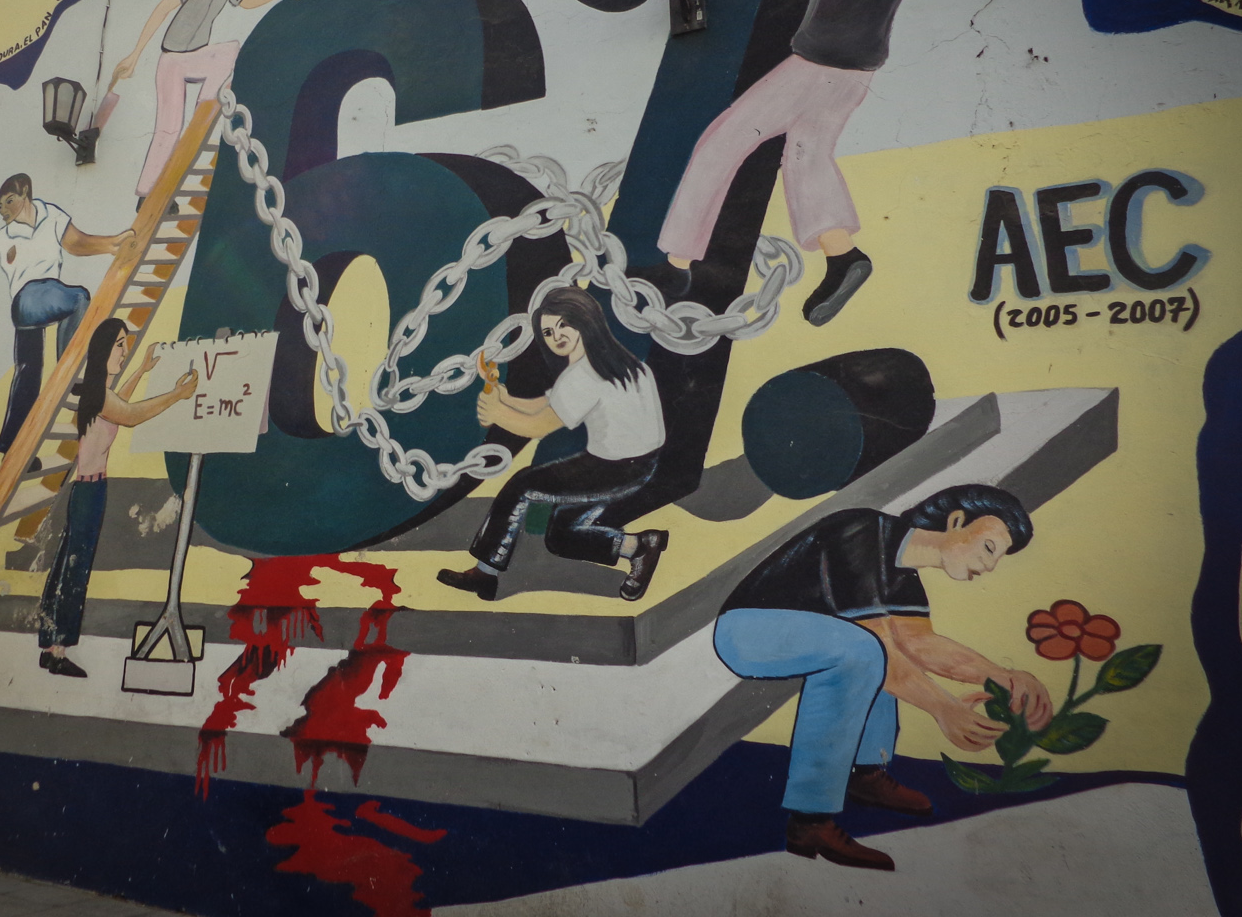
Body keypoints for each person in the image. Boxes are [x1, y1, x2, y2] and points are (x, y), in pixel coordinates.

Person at [651, 0, 936, 326]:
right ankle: (842, 255)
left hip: (810, 72)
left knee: (723, 141)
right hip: (856, 78)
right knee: (807, 157)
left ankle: (675, 263)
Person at [714, 484, 1052, 871]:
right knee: (867, 649)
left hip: (811, 632)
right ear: (957, 522)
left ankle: (865, 775)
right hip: (749, 630)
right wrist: (944, 708)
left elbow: (919, 644)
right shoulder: (861, 531)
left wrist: (1003, 676)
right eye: (989, 548)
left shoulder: (901, 570)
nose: (989, 566)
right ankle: (809, 820)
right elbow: (882, 647)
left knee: (876, 645)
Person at [437, 286, 669, 603]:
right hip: (639, 463)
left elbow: (539, 426)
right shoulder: (618, 361)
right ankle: (639, 546)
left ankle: (485, 575)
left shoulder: (585, 374)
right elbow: (549, 405)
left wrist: (497, 413)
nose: (556, 336)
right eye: (547, 332)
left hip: (616, 467)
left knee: (521, 486)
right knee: (560, 536)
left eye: (563, 325)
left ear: (584, 320)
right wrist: (505, 399)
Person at [106, 0, 319, 201]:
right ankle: (147, 195)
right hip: (172, 60)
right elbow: (164, 7)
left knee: (230, 50)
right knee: (168, 129)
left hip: (197, 56)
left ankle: (204, 112)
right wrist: (135, 54)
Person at [38, 320, 198, 677]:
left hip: (87, 490)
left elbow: (120, 403)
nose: (124, 352)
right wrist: (177, 395)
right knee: (74, 572)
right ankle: (58, 652)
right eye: (120, 345)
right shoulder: (98, 394)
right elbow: (131, 415)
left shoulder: (100, 393)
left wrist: (141, 369)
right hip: (89, 492)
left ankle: (50, 645)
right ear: (103, 349)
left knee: (66, 566)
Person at [0, 173, 133, 456]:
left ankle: (12, 446)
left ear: (25, 193)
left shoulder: (51, 216)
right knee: (78, 298)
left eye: (9, 201)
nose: (4, 210)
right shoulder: (2, 238)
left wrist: (111, 244)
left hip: (43, 303)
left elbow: (76, 243)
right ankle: (69, 371)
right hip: (25, 301)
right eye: (0, 206)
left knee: (27, 375)